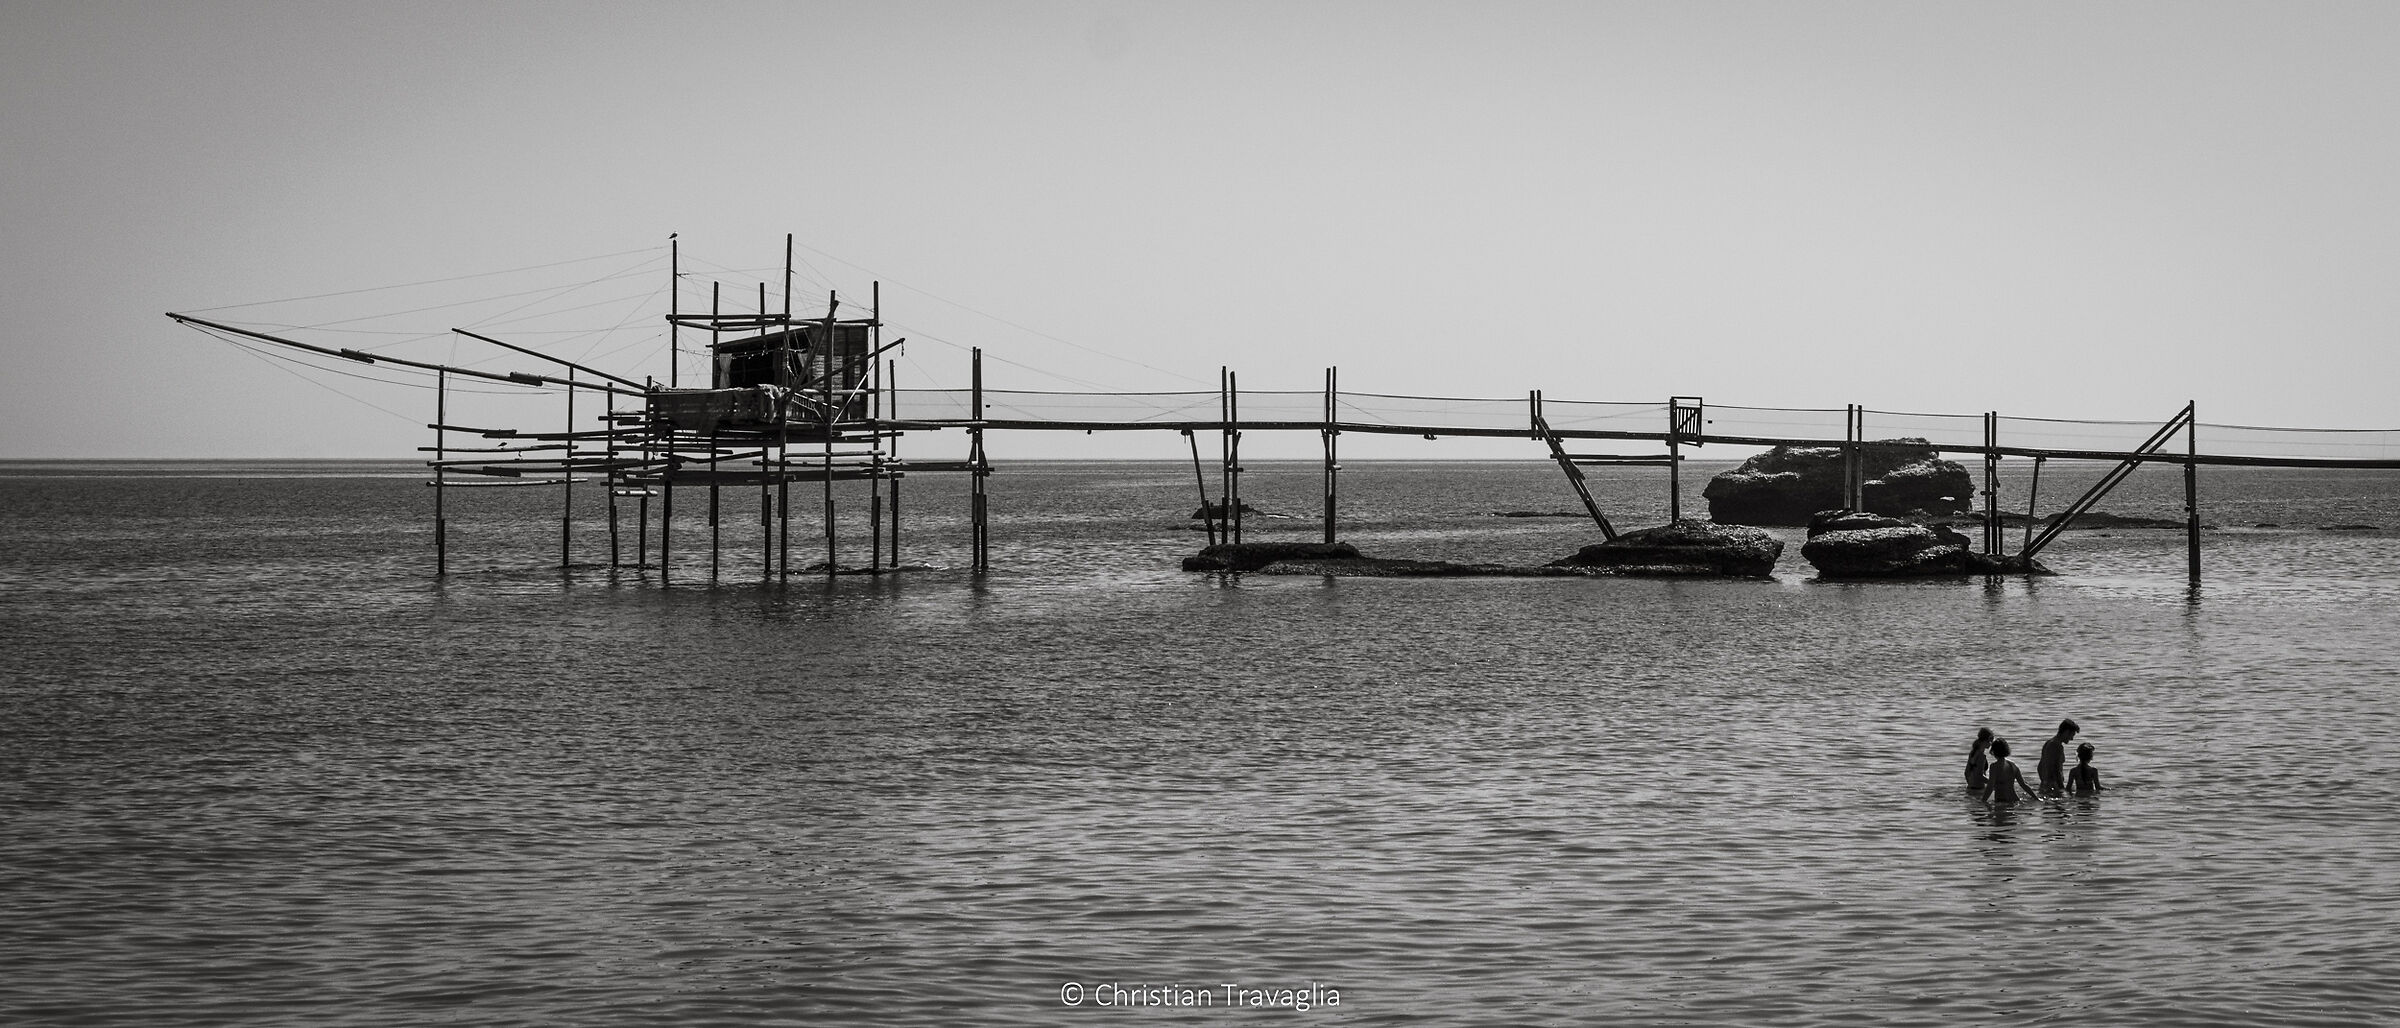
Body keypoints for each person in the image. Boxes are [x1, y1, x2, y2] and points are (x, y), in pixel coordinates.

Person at [1985, 737, 2039, 805]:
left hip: (2002, 801)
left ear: (1994, 751)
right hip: (2014, 800)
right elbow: (2023, 785)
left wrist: (1983, 801)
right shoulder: (2012, 765)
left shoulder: (1994, 767)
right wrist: (2036, 798)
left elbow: (1990, 787)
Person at [2037, 718, 2080, 796]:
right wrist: (2061, 788)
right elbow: (2056, 770)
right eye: (2072, 735)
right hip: (2054, 786)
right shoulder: (2057, 746)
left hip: (2046, 785)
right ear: (2066, 732)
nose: (2072, 739)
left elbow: (2040, 766)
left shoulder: (2048, 743)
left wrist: (2044, 782)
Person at [1965, 727, 1993, 794]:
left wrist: (1971, 784)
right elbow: (1979, 776)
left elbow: (1966, 773)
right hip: (1979, 790)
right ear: (1988, 739)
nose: (1991, 743)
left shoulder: (1972, 753)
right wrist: (1993, 784)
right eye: (1991, 740)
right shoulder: (1981, 756)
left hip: (1969, 789)